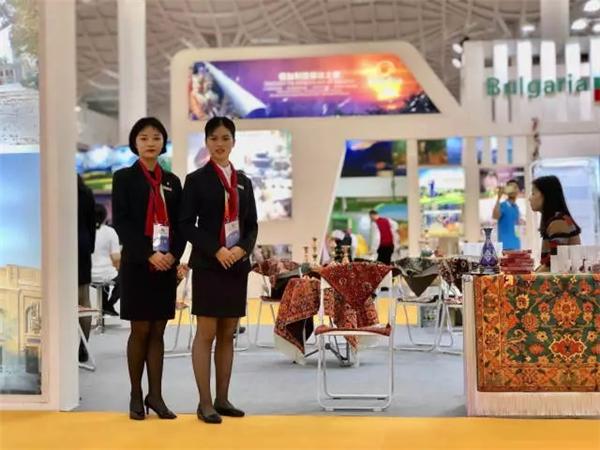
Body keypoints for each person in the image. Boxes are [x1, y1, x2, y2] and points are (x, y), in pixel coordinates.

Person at [180, 116, 258, 424]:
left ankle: (223, 399)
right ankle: (204, 402)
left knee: (228, 333)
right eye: (214, 138)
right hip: (209, 265)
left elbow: (252, 226)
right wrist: (217, 249)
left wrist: (241, 250)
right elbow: (186, 224)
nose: (219, 144)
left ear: (233, 142)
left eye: (225, 138)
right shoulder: (196, 180)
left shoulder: (244, 182)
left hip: (236, 266)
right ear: (206, 142)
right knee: (206, 333)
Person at [112, 117, 185, 420]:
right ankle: (134, 394)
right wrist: (148, 255)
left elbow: (181, 224)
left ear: (163, 142)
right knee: (140, 329)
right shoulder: (124, 178)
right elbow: (122, 222)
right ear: (135, 143)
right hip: (137, 264)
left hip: (165, 266)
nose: (150, 143)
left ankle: (155, 395)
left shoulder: (172, 181)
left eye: (156, 137)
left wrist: (173, 256)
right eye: (143, 138)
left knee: (158, 330)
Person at [529, 175, 581, 272]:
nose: (529, 198)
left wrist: (531, 278)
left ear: (546, 195)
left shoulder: (558, 223)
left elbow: (554, 262)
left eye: (533, 193)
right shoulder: (558, 219)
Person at [77, 175, 96, 363]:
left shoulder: (54, 188)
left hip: (59, 247)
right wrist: (89, 247)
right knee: (83, 300)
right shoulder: (86, 193)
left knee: (61, 301)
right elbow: (92, 224)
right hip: (82, 248)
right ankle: (83, 347)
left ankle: (63, 346)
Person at [91, 204, 121, 316]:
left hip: (87, 275)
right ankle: (109, 304)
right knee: (123, 279)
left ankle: (104, 307)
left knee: (106, 280)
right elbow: (116, 258)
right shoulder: (110, 231)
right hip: (107, 274)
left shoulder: (82, 230)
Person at [492, 179, 522, 251]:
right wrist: (499, 197)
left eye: (515, 187)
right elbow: (495, 216)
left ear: (518, 190)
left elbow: (516, 228)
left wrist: (518, 242)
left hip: (516, 246)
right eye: (510, 187)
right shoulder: (503, 205)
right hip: (505, 247)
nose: (513, 190)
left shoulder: (516, 207)